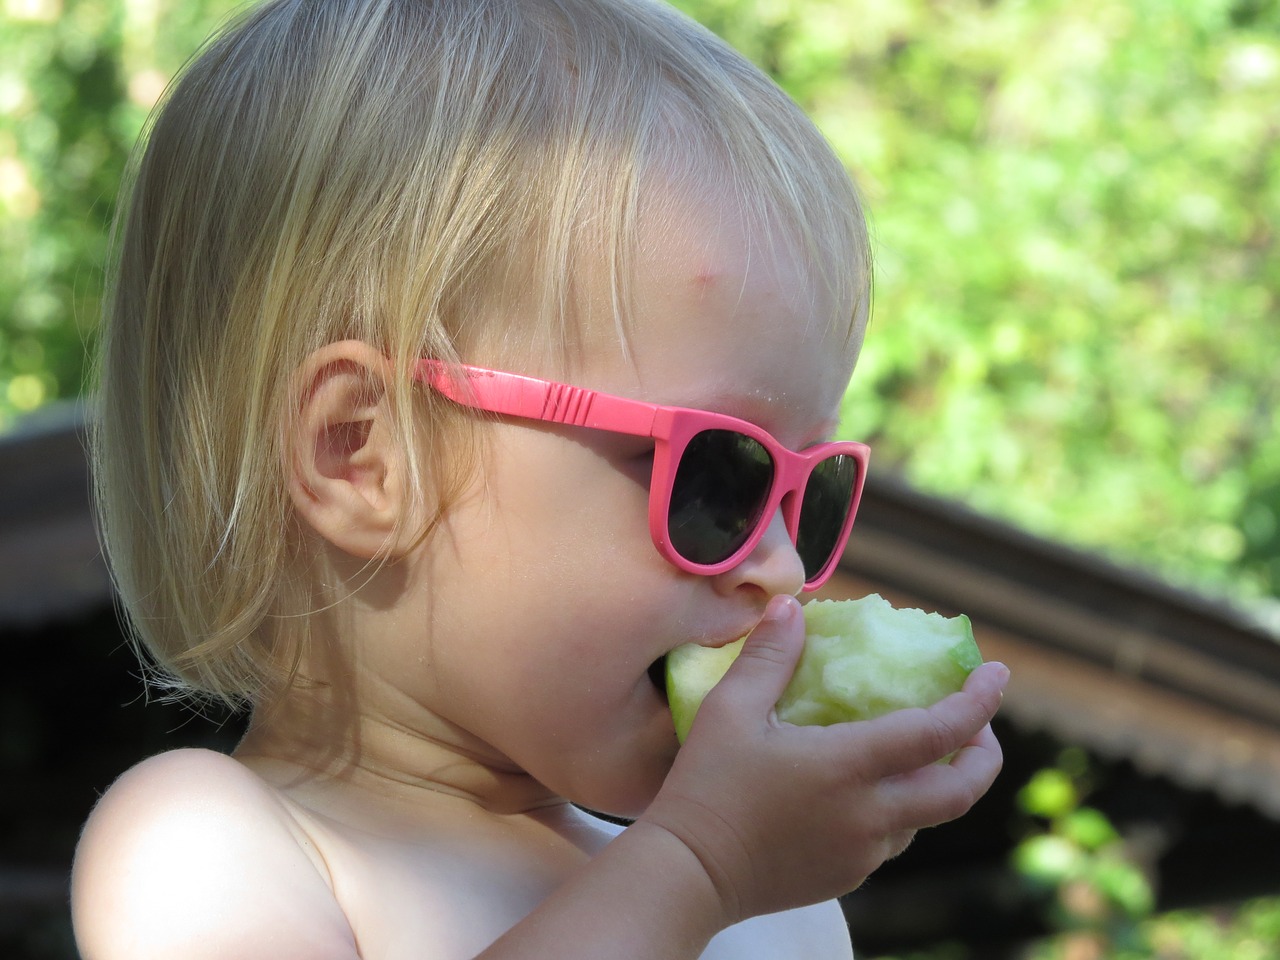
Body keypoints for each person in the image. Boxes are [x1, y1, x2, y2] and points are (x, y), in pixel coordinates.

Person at [71, 0, 1008, 957]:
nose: (778, 569)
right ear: (359, 453)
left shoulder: (783, 914)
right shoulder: (207, 847)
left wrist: (721, 876)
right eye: (718, 478)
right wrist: (701, 868)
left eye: (813, 497)